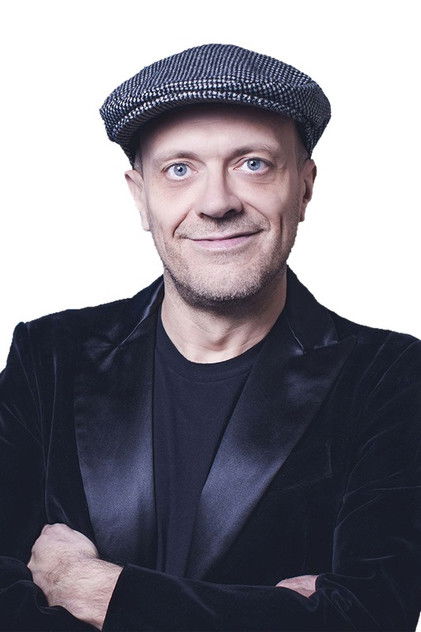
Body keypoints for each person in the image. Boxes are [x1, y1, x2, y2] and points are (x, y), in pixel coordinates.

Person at [0, 42, 420, 632]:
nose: (218, 202)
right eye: (180, 169)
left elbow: (371, 616)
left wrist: (98, 592)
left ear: (304, 187)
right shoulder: (48, 357)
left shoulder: (391, 377)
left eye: (253, 164)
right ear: (140, 195)